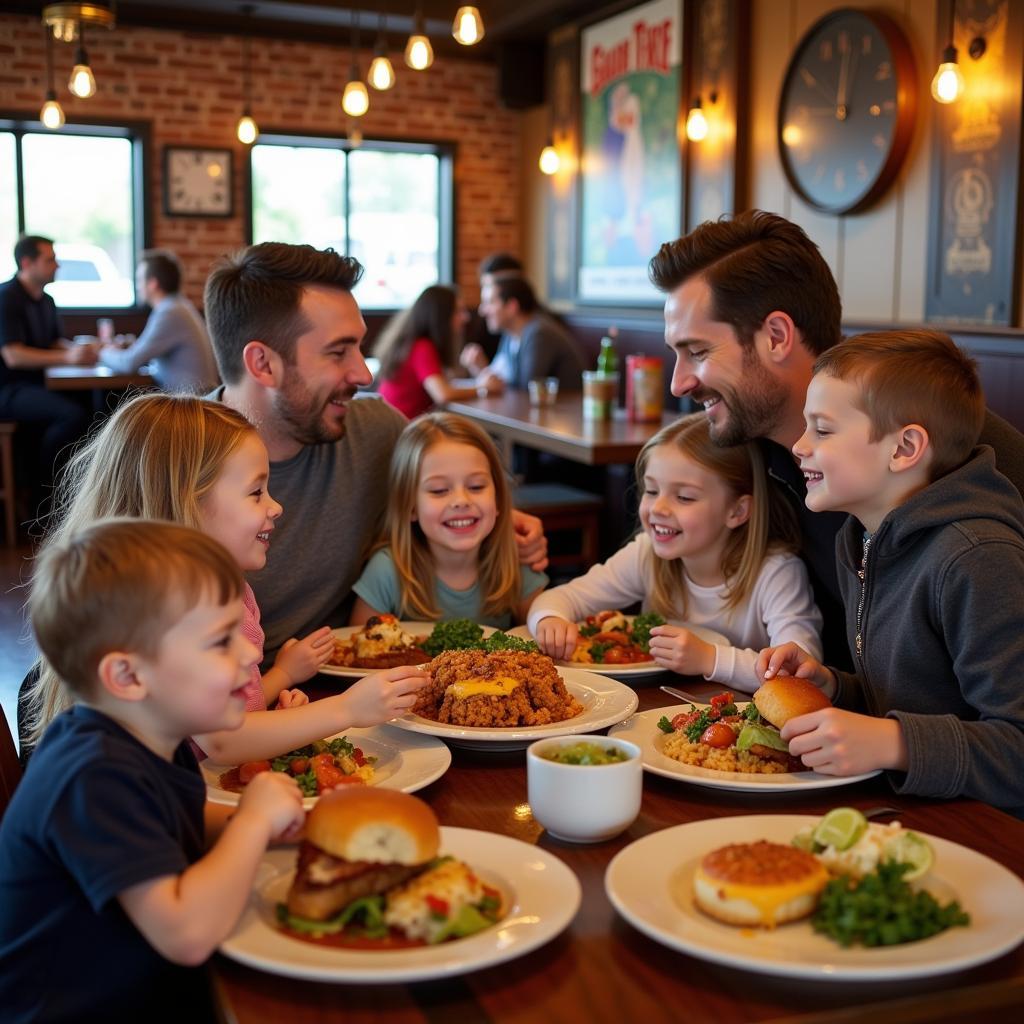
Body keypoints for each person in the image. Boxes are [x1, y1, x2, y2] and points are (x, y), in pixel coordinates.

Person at [648, 210, 1024, 666]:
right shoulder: (744, 443)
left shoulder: (959, 452)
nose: (679, 383)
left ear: (777, 336)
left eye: (698, 352)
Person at [0, 519, 307, 1022]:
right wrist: (252, 823)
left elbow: (174, 816)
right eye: (220, 641)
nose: (252, 651)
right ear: (127, 676)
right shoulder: (92, 776)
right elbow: (185, 933)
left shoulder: (147, 738)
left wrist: (269, 824)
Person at [20, 393, 429, 766]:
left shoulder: (230, 591)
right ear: (187, 504)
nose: (276, 506)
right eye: (256, 493)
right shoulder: (176, 613)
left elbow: (228, 718)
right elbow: (222, 741)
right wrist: (347, 709)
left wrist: (282, 678)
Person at [202, 242, 547, 663]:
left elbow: (449, 480)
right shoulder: (172, 461)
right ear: (262, 364)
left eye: (360, 348)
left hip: (348, 688)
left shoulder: (373, 429)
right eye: (338, 352)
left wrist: (508, 522)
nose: (364, 373)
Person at [757, 330, 1024, 817]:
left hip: (988, 835)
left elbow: (1017, 746)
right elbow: (920, 698)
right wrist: (836, 687)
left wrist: (893, 743)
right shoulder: (858, 539)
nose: (798, 445)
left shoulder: (978, 559)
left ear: (904, 448)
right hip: (908, 808)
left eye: (822, 429)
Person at [528, 414, 821, 690]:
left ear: (737, 510)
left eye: (684, 497)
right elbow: (562, 597)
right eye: (652, 491)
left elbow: (800, 669)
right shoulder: (647, 554)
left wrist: (709, 658)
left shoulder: (776, 571)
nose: (658, 508)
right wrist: (550, 619)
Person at [351, 412, 548, 628]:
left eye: (476, 487)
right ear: (410, 506)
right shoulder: (387, 571)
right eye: (439, 490)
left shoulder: (515, 558)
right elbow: (360, 650)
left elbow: (541, 622)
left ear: (498, 499)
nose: (461, 501)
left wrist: (550, 619)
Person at [0, 235, 96, 511]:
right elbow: (13, 355)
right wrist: (68, 355)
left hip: (39, 385)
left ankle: (69, 496)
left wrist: (80, 350)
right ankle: (43, 496)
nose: (57, 265)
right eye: (50, 259)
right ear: (27, 263)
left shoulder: (46, 300)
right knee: (71, 414)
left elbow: (53, 343)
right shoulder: (6, 298)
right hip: (9, 389)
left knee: (90, 405)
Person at [98, 249, 219, 392]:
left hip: (192, 406)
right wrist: (128, 345)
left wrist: (102, 351)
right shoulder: (178, 305)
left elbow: (129, 363)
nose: (137, 286)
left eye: (139, 280)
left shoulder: (170, 312)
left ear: (153, 284)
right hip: (193, 400)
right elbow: (148, 349)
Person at [375, 284, 502, 419]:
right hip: (400, 431)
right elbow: (442, 394)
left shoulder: (413, 343)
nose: (465, 317)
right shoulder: (422, 347)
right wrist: (483, 388)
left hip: (397, 425)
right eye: (458, 311)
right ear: (441, 316)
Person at [462, 275, 586, 391]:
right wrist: (481, 370)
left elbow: (526, 390)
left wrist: (486, 374)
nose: (482, 311)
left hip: (565, 412)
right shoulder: (510, 334)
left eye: (490, 302)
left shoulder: (539, 334)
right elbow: (499, 379)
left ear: (512, 306)